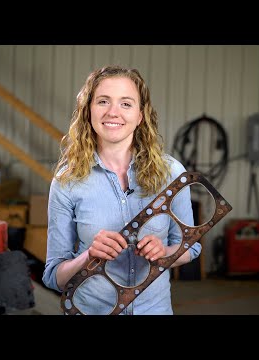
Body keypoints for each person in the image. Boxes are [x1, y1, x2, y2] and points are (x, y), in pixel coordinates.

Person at [42, 65, 201, 315]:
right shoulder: (67, 181)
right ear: (88, 111)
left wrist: (165, 253)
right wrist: (89, 257)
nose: (113, 112)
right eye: (103, 101)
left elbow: (190, 248)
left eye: (126, 104)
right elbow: (54, 276)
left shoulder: (171, 172)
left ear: (140, 115)